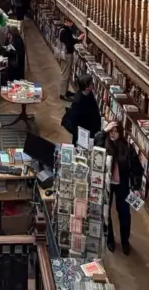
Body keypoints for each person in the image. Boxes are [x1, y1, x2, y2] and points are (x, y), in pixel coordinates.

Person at [98, 122, 144, 255]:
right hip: (107, 183)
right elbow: (96, 144)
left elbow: (136, 168)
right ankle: (110, 239)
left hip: (122, 183)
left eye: (116, 131)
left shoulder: (128, 148)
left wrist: (136, 187)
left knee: (124, 213)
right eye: (111, 131)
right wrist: (104, 131)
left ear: (120, 133)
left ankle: (125, 241)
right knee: (106, 212)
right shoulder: (104, 144)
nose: (113, 134)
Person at [62, 73, 102, 143]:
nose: (93, 84)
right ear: (86, 87)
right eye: (91, 83)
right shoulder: (78, 102)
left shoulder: (89, 93)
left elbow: (94, 108)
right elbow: (74, 122)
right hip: (83, 133)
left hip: (90, 128)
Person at [58, 18, 81, 100]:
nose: (72, 24)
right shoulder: (65, 31)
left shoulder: (65, 29)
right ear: (67, 22)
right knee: (65, 75)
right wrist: (78, 39)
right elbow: (69, 43)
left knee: (67, 74)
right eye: (70, 22)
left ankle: (65, 91)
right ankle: (62, 94)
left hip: (66, 54)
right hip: (66, 55)